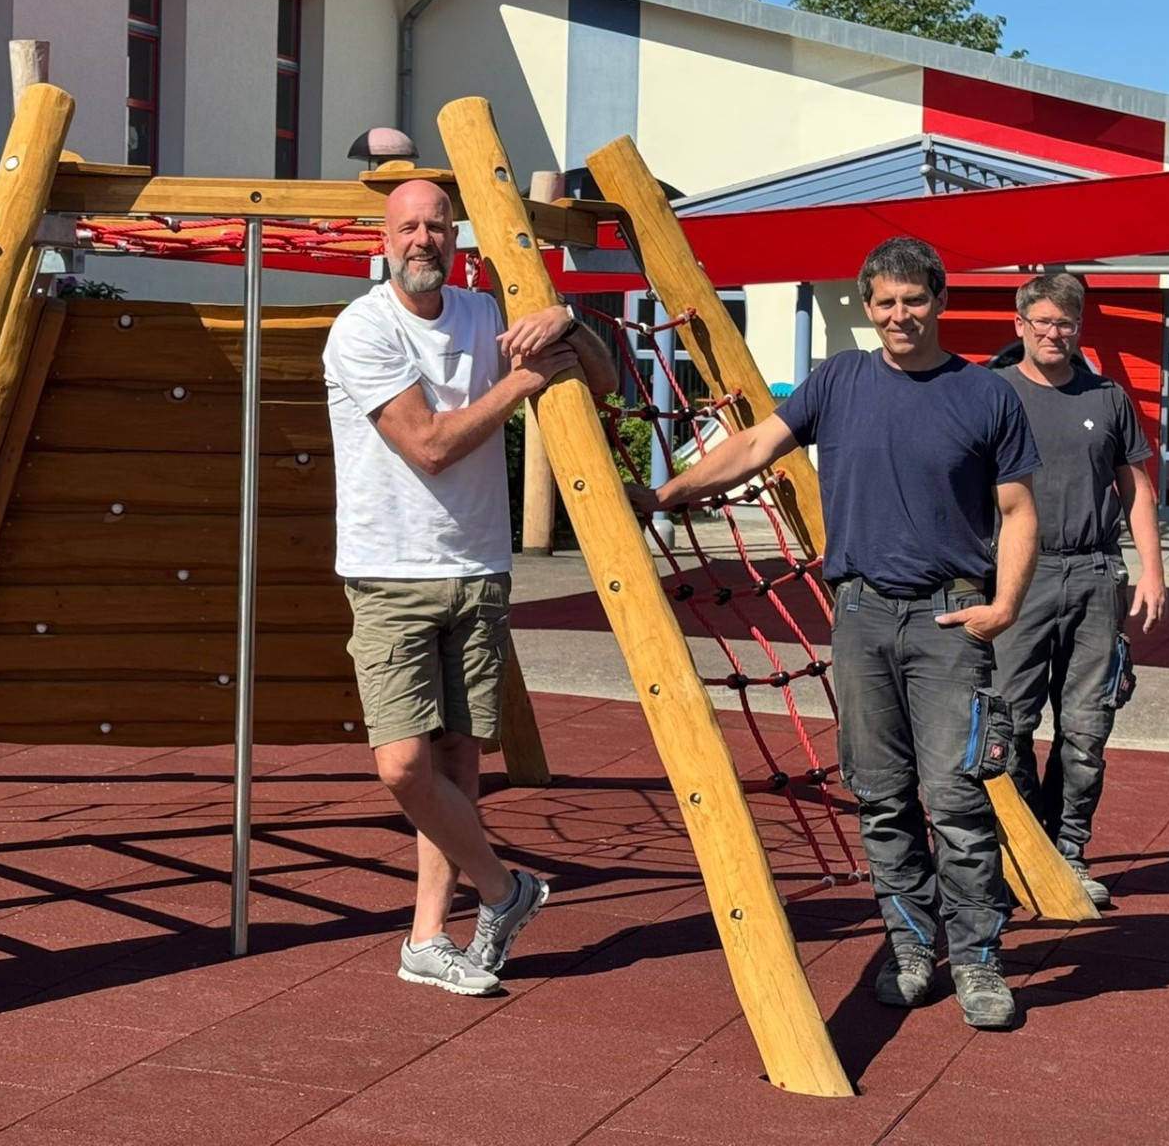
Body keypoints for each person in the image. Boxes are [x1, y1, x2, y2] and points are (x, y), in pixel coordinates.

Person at [635, 237, 1040, 1029]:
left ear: (940, 301)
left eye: (914, 300)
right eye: (885, 302)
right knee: (882, 797)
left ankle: (982, 960)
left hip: (948, 617)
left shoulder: (985, 395)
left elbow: (1020, 511)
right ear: (867, 305)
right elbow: (754, 446)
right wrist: (666, 494)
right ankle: (913, 946)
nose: (900, 316)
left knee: (957, 799)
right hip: (858, 616)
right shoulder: (840, 380)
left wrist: (1004, 607)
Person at [324, 179, 616, 995]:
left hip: (476, 566)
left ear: (456, 239)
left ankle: (426, 939)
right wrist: (522, 383)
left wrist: (568, 320)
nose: (423, 239)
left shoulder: (486, 313)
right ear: (384, 240)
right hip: (391, 571)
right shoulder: (363, 329)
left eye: (437, 226)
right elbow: (429, 446)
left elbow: (602, 385)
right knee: (403, 766)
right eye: (408, 226)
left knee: (456, 761)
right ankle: (503, 887)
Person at [990, 273, 1165, 906]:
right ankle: (1023, 847)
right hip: (1019, 577)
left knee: (1087, 731)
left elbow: (1135, 488)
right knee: (1007, 724)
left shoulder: (1108, 397)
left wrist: (1153, 568)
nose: (1051, 332)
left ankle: (1067, 850)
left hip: (1094, 576)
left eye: (1063, 323)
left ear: (1078, 328)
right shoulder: (992, 393)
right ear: (1019, 325)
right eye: (1040, 320)